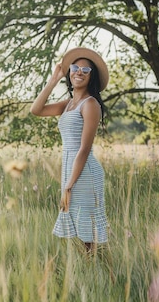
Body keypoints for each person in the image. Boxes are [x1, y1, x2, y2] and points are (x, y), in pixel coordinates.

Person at [30, 47, 109, 252]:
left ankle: (104, 273)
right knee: (79, 231)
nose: (79, 72)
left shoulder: (90, 104)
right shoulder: (68, 104)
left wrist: (68, 185)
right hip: (71, 172)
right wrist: (54, 80)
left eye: (85, 69)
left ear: (92, 77)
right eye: (75, 68)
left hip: (84, 173)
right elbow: (36, 110)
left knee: (88, 233)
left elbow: (84, 149)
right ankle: (92, 274)